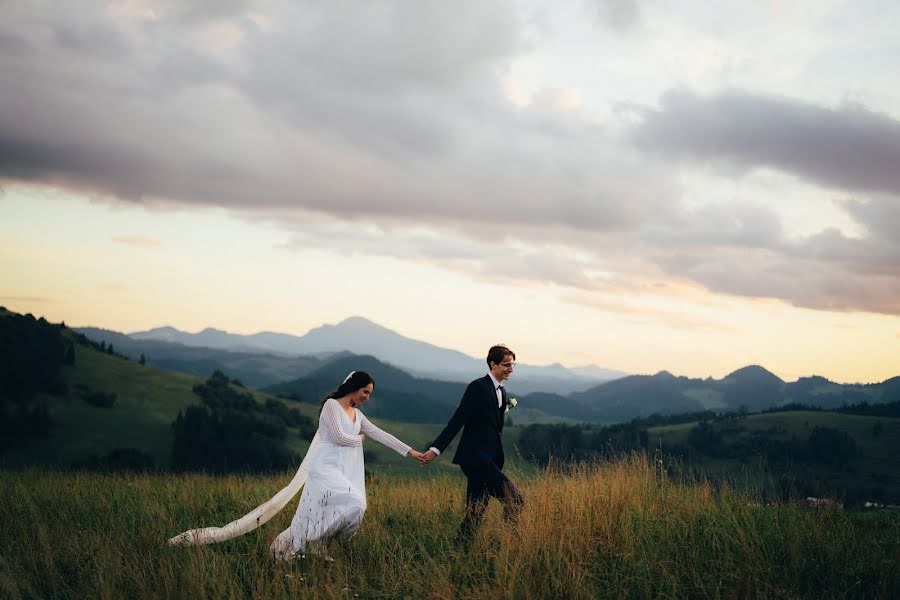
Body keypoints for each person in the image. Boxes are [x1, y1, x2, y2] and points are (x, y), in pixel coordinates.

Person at [168, 370, 424, 561]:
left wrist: (411, 452)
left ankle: (314, 545)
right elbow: (336, 436)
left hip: (339, 471)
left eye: (369, 393)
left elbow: (381, 434)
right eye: (365, 391)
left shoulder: (357, 414)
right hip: (323, 469)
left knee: (348, 508)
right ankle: (311, 545)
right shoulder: (331, 407)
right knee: (354, 503)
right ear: (354, 387)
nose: (367, 397)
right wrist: (357, 439)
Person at [420, 345, 524, 543]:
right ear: (493, 364)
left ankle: (460, 550)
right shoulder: (478, 387)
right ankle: (509, 544)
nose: (511, 368)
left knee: (475, 512)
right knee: (515, 500)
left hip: (489, 460)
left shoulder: (501, 391)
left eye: (513, 364)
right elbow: (458, 419)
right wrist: (435, 449)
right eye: (506, 364)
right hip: (476, 459)